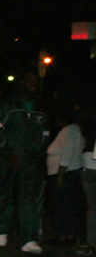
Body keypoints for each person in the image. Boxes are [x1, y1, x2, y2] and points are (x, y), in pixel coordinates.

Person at [0, 72, 50, 254]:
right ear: (22, 82)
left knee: (29, 198)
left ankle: (29, 238)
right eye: (30, 80)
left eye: (36, 81)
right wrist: (7, 153)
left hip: (31, 161)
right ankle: (0, 231)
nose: (33, 84)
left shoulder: (40, 108)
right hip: (7, 158)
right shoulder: (8, 104)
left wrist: (37, 154)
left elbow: (45, 134)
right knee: (3, 195)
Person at [45, 105, 86, 246]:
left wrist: (60, 175)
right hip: (71, 173)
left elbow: (66, 154)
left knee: (61, 206)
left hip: (65, 173)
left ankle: (64, 235)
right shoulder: (76, 130)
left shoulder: (68, 131)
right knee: (69, 205)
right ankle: (69, 234)